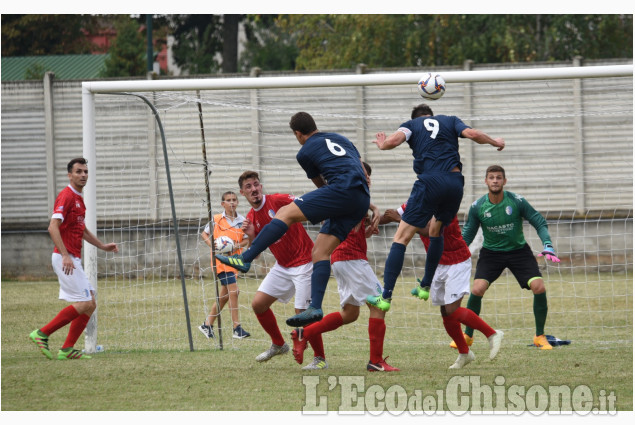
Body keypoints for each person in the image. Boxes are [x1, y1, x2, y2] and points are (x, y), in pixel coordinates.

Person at [217, 112, 377, 328]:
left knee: (285, 213)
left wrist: (333, 203)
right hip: (360, 197)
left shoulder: (305, 152)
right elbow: (361, 170)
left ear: (298, 134)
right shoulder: (341, 139)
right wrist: (364, 205)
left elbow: (321, 184)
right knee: (320, 252)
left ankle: (246, 258)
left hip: (341, 191)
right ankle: (315, 307)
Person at [367, 103, 505, 313]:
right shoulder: (450, 120)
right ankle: (425, 285)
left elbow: (393, 141)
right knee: (436, 229)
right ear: (432, 115)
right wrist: (496, 142)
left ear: (417, 118)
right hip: (455, 182)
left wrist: (381, 144)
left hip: (430, 181)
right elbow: (473, 133)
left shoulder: (411, 125)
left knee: (401, 238)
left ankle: (385, 297)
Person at [290, 162, 399, 372]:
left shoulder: (347, 196)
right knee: (379, 304)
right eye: (363, 174)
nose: (366, 178)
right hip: (351, 259)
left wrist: (365, 229)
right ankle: (376, 362)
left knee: (350, 314)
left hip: (342, 259)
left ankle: (305, 333)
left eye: (368, 175)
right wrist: (373, 209)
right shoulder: (352, 194)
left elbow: (348, 225)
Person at [381, 204, 503, 369]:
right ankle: (464, 353)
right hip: (437, 263)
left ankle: (492, 334)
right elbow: (390, 214)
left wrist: (400, 219)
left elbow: (430, 230)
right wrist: (370, 221)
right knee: (445, 312)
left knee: (452, 309)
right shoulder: (417, 199)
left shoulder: (445, 202)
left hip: (457, 261)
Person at [461, 165, 561, 350]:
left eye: (499, 177)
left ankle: (539, 336)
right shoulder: (477, 207)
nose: (495, 181)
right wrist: (454, 254)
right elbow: (468, 233)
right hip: (491, 253)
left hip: (518, 251)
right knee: (476, 290)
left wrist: (547, 244)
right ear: (486, 181)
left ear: (504, 181)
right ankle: (467, 335)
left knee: (538, 287)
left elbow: (538, 221)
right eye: (491, 177)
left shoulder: (517, 201)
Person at [29, 157, 119, 360]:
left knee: (91, 303)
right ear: (70, 175)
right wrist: (65, 255)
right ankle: (42, 333)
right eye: (78, 171)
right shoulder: (67, 196)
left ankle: (67, 349)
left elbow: (82, 230)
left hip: (72, 258)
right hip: (65, 258)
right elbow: (52, 226)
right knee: (86, 302)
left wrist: (102, 246)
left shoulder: (79, 199)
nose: (83, 175)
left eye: (85, 171)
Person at [237, 170, 326, 369]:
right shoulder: (251, 216)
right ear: (242, 193)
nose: (254, 189)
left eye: (256, 184)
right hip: (283, 267)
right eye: (249, 187)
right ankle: (278, 344)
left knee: (303, 313)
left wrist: (322, 214)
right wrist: (251, 235)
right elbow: (256, 254)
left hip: (305, 263)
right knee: (258, 304)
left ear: (261, 186)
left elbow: (305, 203)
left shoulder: (278, 200)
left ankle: (320, 359)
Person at [199, 191, 250, 340]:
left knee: (225, 296)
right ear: (223, 204)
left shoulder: (242, 221)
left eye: (234, 200)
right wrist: (213, 247)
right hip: (220, 261)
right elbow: (204, 234)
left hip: (235, 261)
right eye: (228, 200)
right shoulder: (216, 219)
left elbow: (246, 240)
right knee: (234, 291)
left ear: (238, 202)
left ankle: (207, 325)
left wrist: (235, 246)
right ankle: (237, 328)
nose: (232, 202)